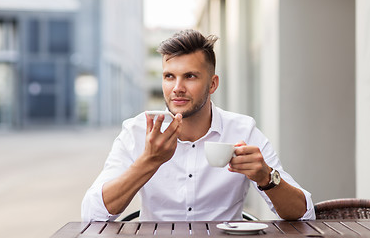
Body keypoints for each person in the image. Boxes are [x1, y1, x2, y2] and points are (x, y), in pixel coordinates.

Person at [81, 29, 315, 221]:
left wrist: (266, 177)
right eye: (169, 76)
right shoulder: (136, 131)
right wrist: (148, 162)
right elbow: (91, 216)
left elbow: (305, 215)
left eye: (190, 76)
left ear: (212, 84)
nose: (177, 88)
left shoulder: (243, 130)